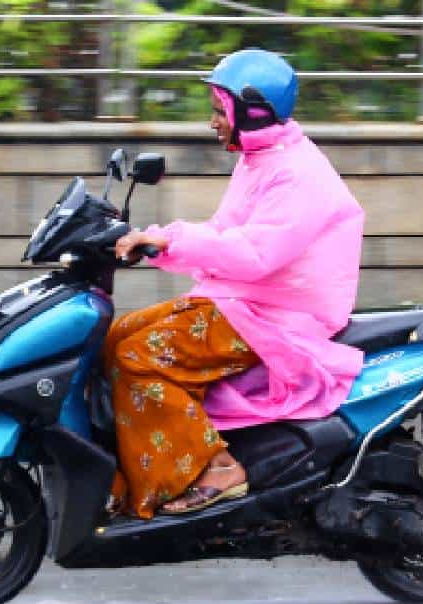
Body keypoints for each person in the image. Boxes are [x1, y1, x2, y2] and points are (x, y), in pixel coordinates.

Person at [105, 48, 365, 518]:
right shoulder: (262, 159)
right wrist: (158, 239)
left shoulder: (297, 174)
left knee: (138, 356)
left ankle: (216, 469)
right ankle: (118, 476)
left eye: (218, 109)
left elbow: (253, 254)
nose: (213, 122)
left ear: (249, 109)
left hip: (274, 318)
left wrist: (168, 242)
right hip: (240, 302)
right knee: (114, 336)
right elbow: (226, 231)